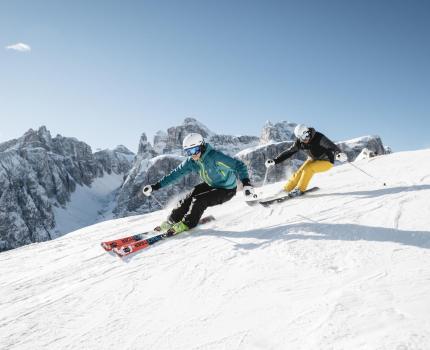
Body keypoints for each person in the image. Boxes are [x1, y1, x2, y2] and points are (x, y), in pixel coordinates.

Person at [142, 133, 256, 234]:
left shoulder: (215, 157)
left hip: (227, 189)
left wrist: (246, 183)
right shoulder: (191, 162)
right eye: (188, 152)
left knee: (199, 200)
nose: (193, 155)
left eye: (194, 150)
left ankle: (187, 223)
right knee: (189, 196)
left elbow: (239, 165)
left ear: (201, 146)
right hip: (211, 184)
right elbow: (175, 175)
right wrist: (155, 186)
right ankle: (172, 220)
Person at [265, 124, 347, 197]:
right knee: (300, 172)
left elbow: (331, 146)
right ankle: (287, 189)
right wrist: (275, 161)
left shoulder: (319, 137)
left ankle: (300, 189)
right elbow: (289, 152)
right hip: (313, 159)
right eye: (302, 138)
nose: (305, 140)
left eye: (305, 137)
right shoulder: (300, 143)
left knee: (309, 169)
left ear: (307, 132)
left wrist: (338, 154)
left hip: (327, 161)